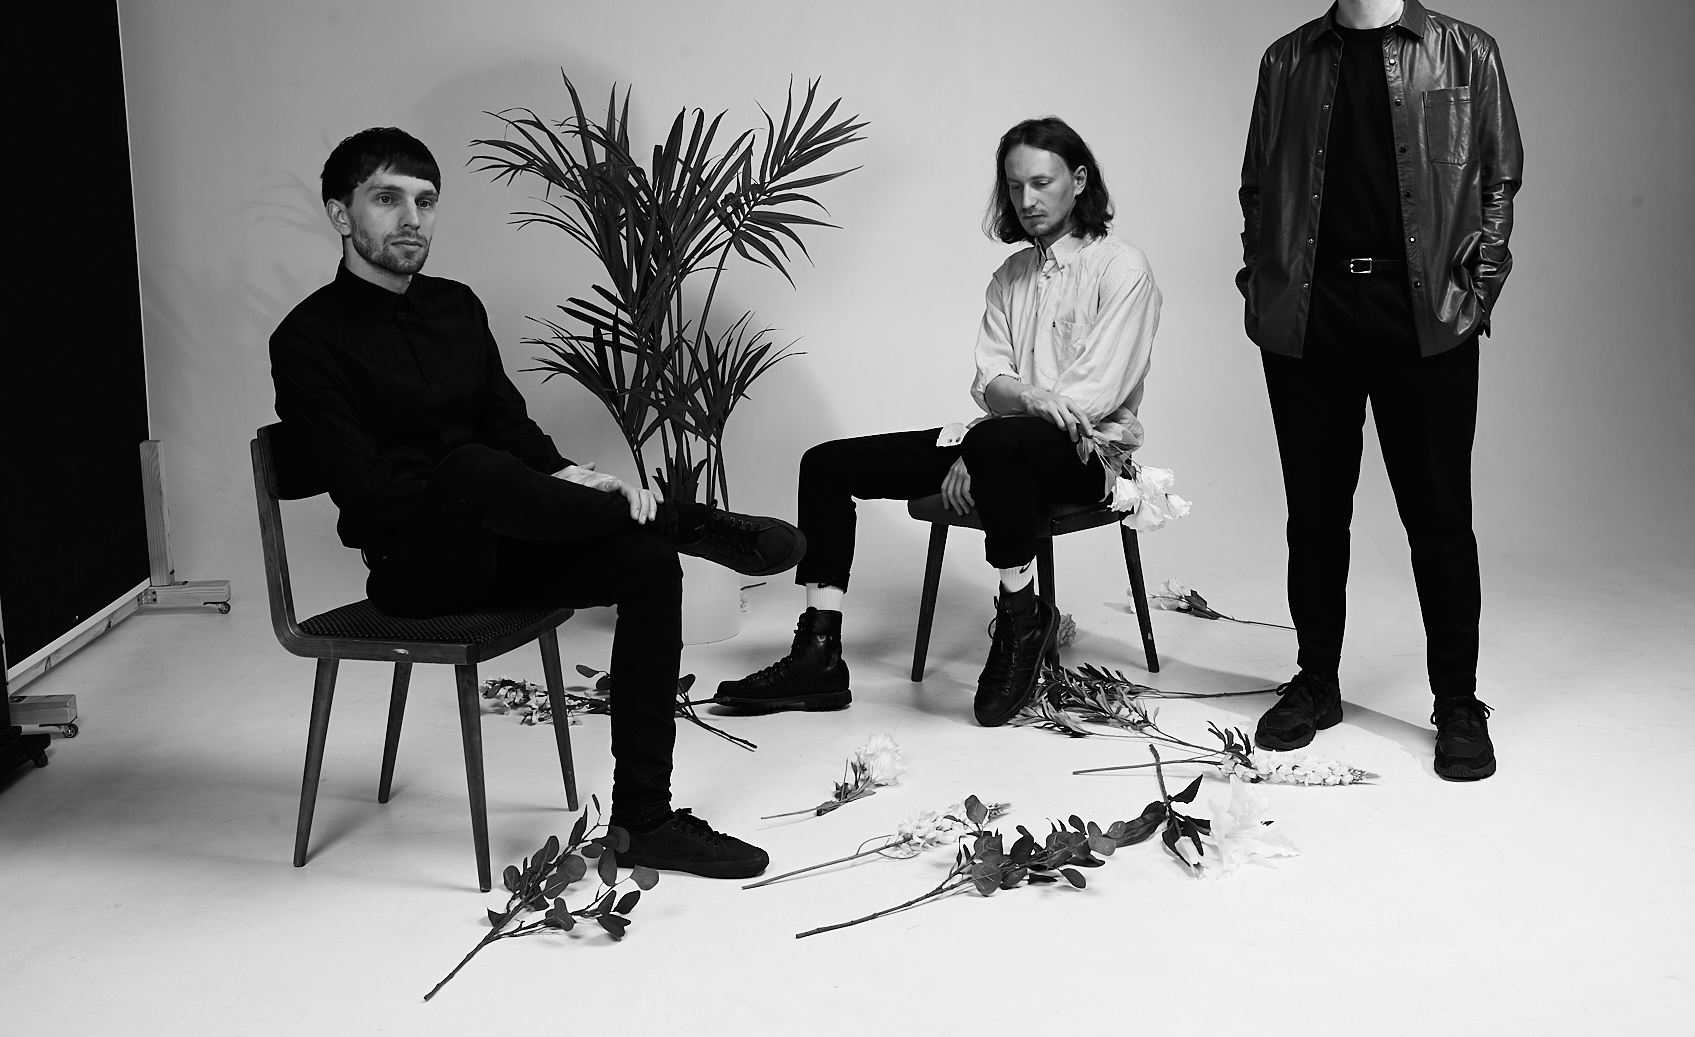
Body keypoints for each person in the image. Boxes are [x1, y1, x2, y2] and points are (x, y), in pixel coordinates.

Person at [270, 127, 803, 878]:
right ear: (339, 213)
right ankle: (691, 521)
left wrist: (572, 478)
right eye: (387, 199)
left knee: (647, 562)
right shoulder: (305, 340)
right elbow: (372, 495)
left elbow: (515, 434)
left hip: (501, 542)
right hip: (414, 570)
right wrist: (496, 490)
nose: (412, 219)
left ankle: (644, 818)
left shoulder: (456, 307)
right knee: (470, 468)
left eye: (426, 201)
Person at [713, 117, 1163, 726]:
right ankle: (818, 652)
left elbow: (1087, 399)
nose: (1026, 200)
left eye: (1041, 183)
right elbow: (989, 381)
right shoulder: (1010, 277)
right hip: (998, 445)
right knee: (827, 464)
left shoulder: (1123, 269)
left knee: (999, 442)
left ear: (1078, 181)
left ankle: (1022, 622)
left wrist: (992, 434)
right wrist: (994, 430)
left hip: (1084, 458)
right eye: (1014, 186)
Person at [1235, 0, 1522, 780]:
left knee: (1439, 518)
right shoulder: (1286, 62)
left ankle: (1457, 701)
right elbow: (1257, 188)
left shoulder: (1467, 52)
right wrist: (1263, 285)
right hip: (1311, 317)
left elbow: (1499, 178)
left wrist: (1475, 293)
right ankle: (1315, 682)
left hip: (1424, 316)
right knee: (1315, 516)